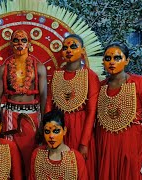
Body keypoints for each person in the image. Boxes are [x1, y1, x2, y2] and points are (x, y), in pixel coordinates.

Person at [96, 42, 142, 180]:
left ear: (127, 60)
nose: (112, 62)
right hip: (106, 151)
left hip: (132, 149)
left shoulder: (140, 83)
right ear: (103, 62)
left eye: (117, 58)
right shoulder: (100, 87)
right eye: (108, 58)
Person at [0, 29, 47, 176]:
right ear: (11, 44)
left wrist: (44, 122)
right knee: (11, 155)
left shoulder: (39, 67)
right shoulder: (4, 69)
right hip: (10, 115)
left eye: (23, 40)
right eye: (16, 40)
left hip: (33, 115)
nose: (19, 44)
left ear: (29, 44)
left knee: (32, 153)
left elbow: (43, 96)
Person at [47, 34, 99, 180]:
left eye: (73, 46)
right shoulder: (56, 75)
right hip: (59, 129)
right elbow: (49, 105)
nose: (68, 50)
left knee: (80, 168)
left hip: (81, 127)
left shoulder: (90, 75)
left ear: (83, 50)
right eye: (65, 47)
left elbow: (91, 111)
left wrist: (84, 142)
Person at [29, 109, 88, 180]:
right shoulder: (37, 155)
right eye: (47, 131)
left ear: (64, 131)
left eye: (56, 131)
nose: (51, 136)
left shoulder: (76, 158)